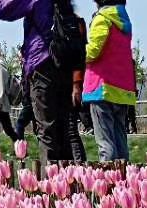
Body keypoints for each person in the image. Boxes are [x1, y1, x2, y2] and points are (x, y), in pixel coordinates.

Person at [0, 0, 79, 162]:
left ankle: (51, 182)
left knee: (47, 130)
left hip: (42, 62)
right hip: (64, 63)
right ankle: (68, 181)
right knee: (63, 130)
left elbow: (3, 10)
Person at [82, 0, 136, 162]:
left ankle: (109, 182)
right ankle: (124, 179)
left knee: (105, 143)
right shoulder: (124, 22)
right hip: (121, 90)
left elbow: (92, 52)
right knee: (120, 141)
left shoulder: (103, 19)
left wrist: (76, 51)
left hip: (102, 87)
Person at [68, 13, 88, 162]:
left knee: (71, 129)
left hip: (71, 83)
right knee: (68, 129)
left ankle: (79, 165)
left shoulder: (75, 23)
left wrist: (76, 84)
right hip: (64, 82)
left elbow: (79, 55)